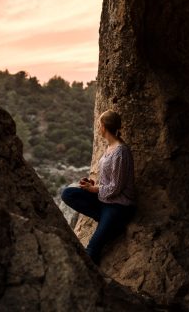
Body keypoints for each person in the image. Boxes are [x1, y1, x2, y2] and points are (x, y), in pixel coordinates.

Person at [61, 109, 135, 264]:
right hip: (104, 200)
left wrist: (94, 190)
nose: (98, 128)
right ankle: (107, 222)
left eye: (99, 125)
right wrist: (91, 184)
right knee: (68, 194)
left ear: (103, 127)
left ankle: (111, 222)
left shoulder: (121, 152)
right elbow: (109, 181)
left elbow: (116, 187)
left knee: (92, 249)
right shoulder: (109, 148)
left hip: (118, 205)